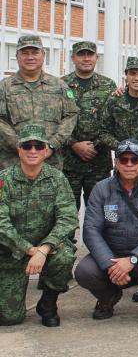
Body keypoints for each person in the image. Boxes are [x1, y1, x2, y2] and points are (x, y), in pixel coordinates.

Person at [75, 139, 138, 320]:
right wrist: (109, 264)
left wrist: (134, 258)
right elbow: (91, 230)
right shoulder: (101, 189)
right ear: (116, 162)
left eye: (134, 160)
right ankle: (108, 297)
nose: (129, 164)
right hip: (112, 253)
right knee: (84, 271)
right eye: (124, 160)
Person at [0, 124, 77, 327]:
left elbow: (68, 218)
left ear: (45, 150)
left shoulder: (58, 179)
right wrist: (27, 248)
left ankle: (48, 303)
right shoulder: (4, 180)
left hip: (47, 248)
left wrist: (43, 249)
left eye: (37, 146)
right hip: (11, 251)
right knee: (10, 318)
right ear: (19, 149)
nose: (32, 151)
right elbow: (1, 223)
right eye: (27, 146)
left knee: (65, 256)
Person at [0, 35, 78, 170]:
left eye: (35, 52)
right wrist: (19, 145)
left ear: (43, 54)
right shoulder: (5, 87)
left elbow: (71, 115)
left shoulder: (59, 86)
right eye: (25, 53)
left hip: (50, 162)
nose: (30, 57)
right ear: (17, 56)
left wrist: (53, 144)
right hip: (13, 162)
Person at [61, 41, 117, 209]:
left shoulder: (108, 85)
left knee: (102, 212)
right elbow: (55, 122)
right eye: (81, 54)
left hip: (99, 161)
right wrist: (74, 144)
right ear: (73, 58)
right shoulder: (61, 85)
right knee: (67, 213)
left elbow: (113, 121)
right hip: (69, 163)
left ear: (96, 57)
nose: (86, 58)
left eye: (90, 54)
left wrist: (96, 144)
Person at [98, 57, 138, 151]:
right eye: (132, 73)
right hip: (123, 159)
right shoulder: (114, 100)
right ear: (126, 75)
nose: (136, 78)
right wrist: (122, 147)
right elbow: (102, 131)